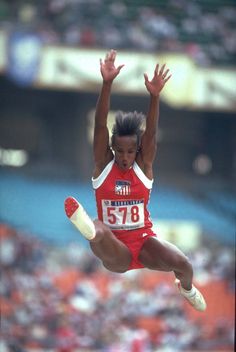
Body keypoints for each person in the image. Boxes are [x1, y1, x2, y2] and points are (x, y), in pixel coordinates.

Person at [64, 49, 206, 312]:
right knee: (100, 230)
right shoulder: (102, 165)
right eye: (119, 151)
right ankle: (87, 228)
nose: (125, 157)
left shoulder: (144, 165)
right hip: (115, 249)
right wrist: (106, 84)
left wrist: (155, 97)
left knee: (184, 265)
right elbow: (99, 126)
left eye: (130, 151)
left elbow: (151, 133)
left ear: (138, 150)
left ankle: (186, 289)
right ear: (112, 148)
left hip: (143, 242)